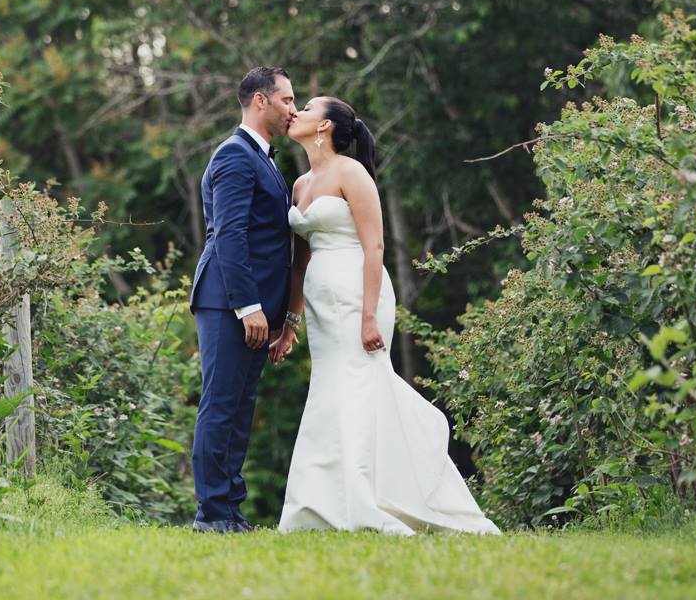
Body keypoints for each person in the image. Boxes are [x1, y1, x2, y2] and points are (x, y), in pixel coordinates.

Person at [269, 95, 501, 536]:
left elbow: (375, 246)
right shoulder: (298, 185)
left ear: (325, 127)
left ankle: (371, 500)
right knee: (329, 391)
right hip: (320, 303)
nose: (297, 111)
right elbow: (297, 263)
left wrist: (369, 317)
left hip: (361, 295)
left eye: (309, 106)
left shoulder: (352, 173)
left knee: (359, 387)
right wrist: (290, 323)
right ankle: (317, 505)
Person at [188, 66, 297, 533]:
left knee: (239, 407)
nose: (293, 109)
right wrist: (247, 306)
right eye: (287, 100)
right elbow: (229, 235)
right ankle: (211, 515)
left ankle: (230, 510)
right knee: (220, 403)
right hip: (227, 301)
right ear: (259, 100)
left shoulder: (266, 159)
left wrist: (276, 315)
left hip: (252, 306)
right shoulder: (235, 156)